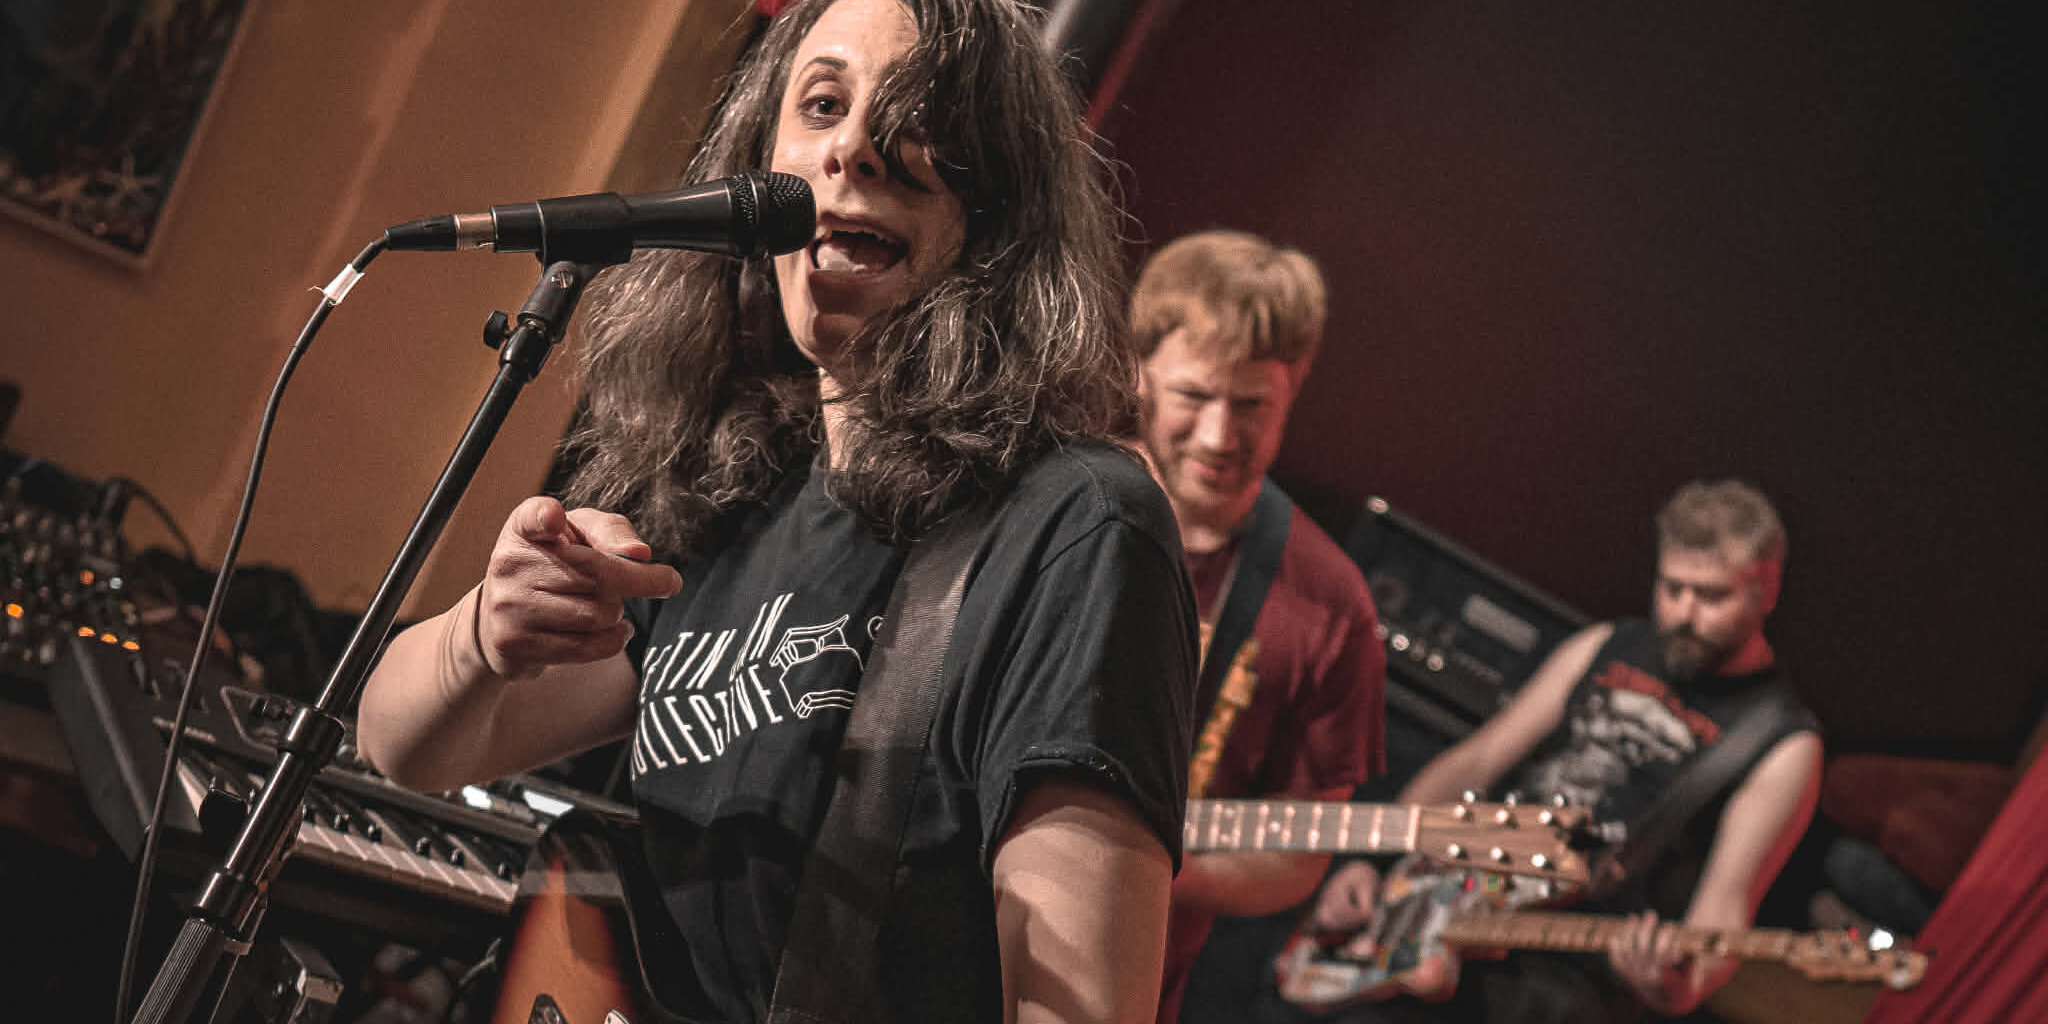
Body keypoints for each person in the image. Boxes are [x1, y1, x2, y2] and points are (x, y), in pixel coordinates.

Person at [357, 2, 1199, 1022]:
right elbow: (403, 745)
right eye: (823, 103)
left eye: (915, 114)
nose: (851, 147)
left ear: (1000, 207)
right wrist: (486, 634)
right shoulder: (732, 497)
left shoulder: (1077, 530)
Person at [1300, 480, 1823, 1023]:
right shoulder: (1609, 644)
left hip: (1561, 962)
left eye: (1712, 596)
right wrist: (1374, 860)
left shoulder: (1778, 738)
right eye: (1672, 588)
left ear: (1766, 591)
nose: (1684, 614)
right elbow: (1478, 759)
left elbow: (1726, 905)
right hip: (1462, 885)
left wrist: (1675, 988)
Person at [1130, 230, 1387, 1023]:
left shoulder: (1335, 607)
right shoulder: (1051, 502)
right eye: (1193, 396)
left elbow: (1299, 857)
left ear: (1294, 390)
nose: (1218, 436)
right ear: (1138, 373)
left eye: (1251, 406)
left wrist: (1143, 868)